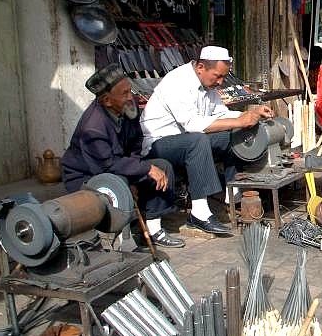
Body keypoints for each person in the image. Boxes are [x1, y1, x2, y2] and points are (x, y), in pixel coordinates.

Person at [140, 46, 273, 235]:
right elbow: (192, 124)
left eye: (223, 78)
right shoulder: (177, 82)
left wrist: (249, 115)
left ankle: (232, 196)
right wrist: (237, 120)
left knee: (231, 136)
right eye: (217, 76)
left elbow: (221, 114)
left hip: (186, 139)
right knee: (197, 140)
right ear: (201, 67)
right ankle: (199, 213)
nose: (220, 82)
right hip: (160, 143)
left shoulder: (208, 84)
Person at [61, 64, 185, 248]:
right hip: (86, 177)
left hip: (119, 167)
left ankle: (153, 229)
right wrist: (140, 172)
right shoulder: (92, 127)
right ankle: (124, 241)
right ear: (107, 100)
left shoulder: (128, 106)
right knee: (121, 180)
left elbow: (136, 143)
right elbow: (105, 166)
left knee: (162, 166)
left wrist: (136, 174)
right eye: (125, 93)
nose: (131, 97)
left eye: (130, 90)